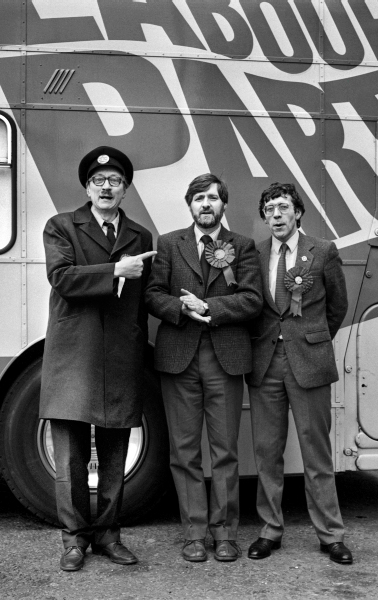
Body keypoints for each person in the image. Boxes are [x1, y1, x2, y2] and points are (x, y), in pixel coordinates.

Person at [40, 146, 156, 572]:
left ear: (125, 189)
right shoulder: (61, 227)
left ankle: (108, 535)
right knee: (70, 458)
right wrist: (114, 272)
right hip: (74, 355)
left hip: (121, 355)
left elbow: (148, 297)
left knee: (114, 456)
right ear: (87, 187)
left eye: (115, 182)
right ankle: (74, 540)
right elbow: (62, 277)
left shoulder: (141, 236)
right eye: (99, 181)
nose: (107, 187)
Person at [145, 173, 262, 563]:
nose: (206, 204)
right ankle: (194, 533)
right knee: (183, 451)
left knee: (226, 451)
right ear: (190, 205)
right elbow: (153, 294)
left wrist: (209, 306)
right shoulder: (169, 244)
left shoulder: (241, 246)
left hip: (225, 360)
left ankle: (225, 533)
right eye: (199, 198)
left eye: (213, 197)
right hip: (179, 359)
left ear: (223, 204)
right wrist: (182, 308)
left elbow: (252, 300)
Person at [245, 182, 352, 564]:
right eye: (270, 208)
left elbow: (337, 306)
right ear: (264, 216)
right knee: (267, 452)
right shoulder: (253, 254)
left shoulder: (322, 251)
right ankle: (270, 531)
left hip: (309, 363)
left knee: (316, 452)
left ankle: (331, 535)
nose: (276, 214)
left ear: (298, 212)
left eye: (283, 207)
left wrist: (311, 340)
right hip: (264, 364)